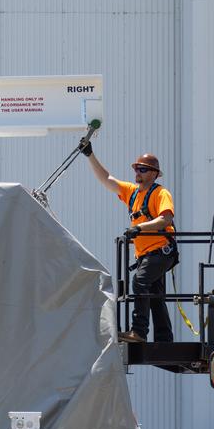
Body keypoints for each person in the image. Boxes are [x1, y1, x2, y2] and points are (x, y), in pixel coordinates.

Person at [79, 140, 177, 343]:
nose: (137, 173)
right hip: (146, 255)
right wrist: (90, 155)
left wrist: (139, 228)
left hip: (161, 251)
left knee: (139, 282)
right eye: (136, 169)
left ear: (154, 174)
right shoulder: (132, 193)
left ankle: (139, 332)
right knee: (155, 295)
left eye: (142, 169)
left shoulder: (160, 193)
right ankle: (164, 339)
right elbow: (106, 179)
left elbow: (165, 219)